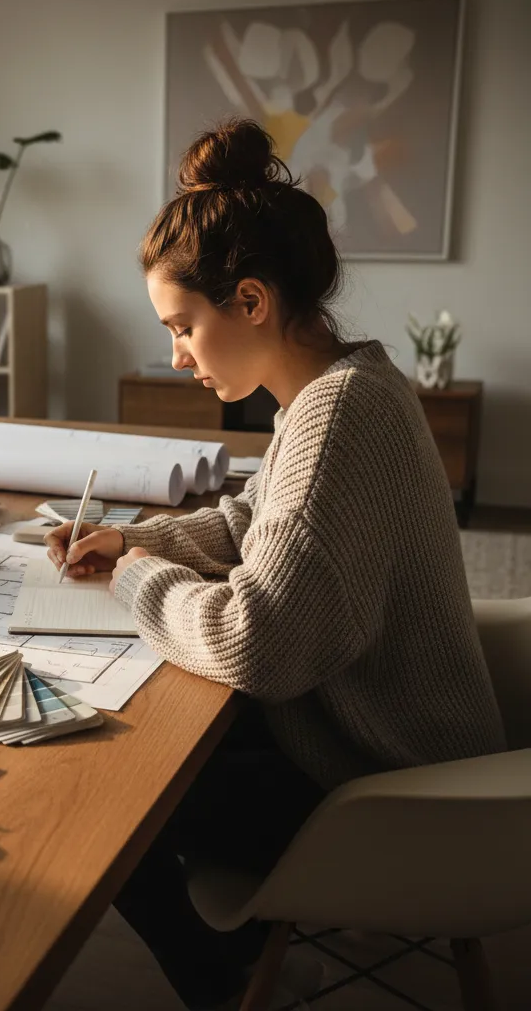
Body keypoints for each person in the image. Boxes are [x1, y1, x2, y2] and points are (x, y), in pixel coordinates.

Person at [45, 118, 506, 1011]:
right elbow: (258, 520)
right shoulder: (341, 387)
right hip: (376, 730)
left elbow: (258, 642)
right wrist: (133, 542)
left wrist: (138, 581)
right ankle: (251, 951)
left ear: (250, 302)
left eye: (183, 326)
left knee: (110, 804)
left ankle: (234, 979)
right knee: (142, 733)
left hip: (394, 781)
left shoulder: (336, 421)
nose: (177, 356)